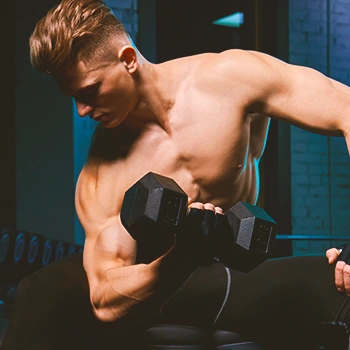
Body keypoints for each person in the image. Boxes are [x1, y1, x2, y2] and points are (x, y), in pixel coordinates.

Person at [2, 0, 350, 349]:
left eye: (89, 92)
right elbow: (105, 300)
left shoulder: (229, 79)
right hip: (155, 284)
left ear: (128, 59)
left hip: (232, 273)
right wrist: (180, 259)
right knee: (38, 294)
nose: (81, 111)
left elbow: (344, 108)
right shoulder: (102, 172)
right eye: (73, 98)